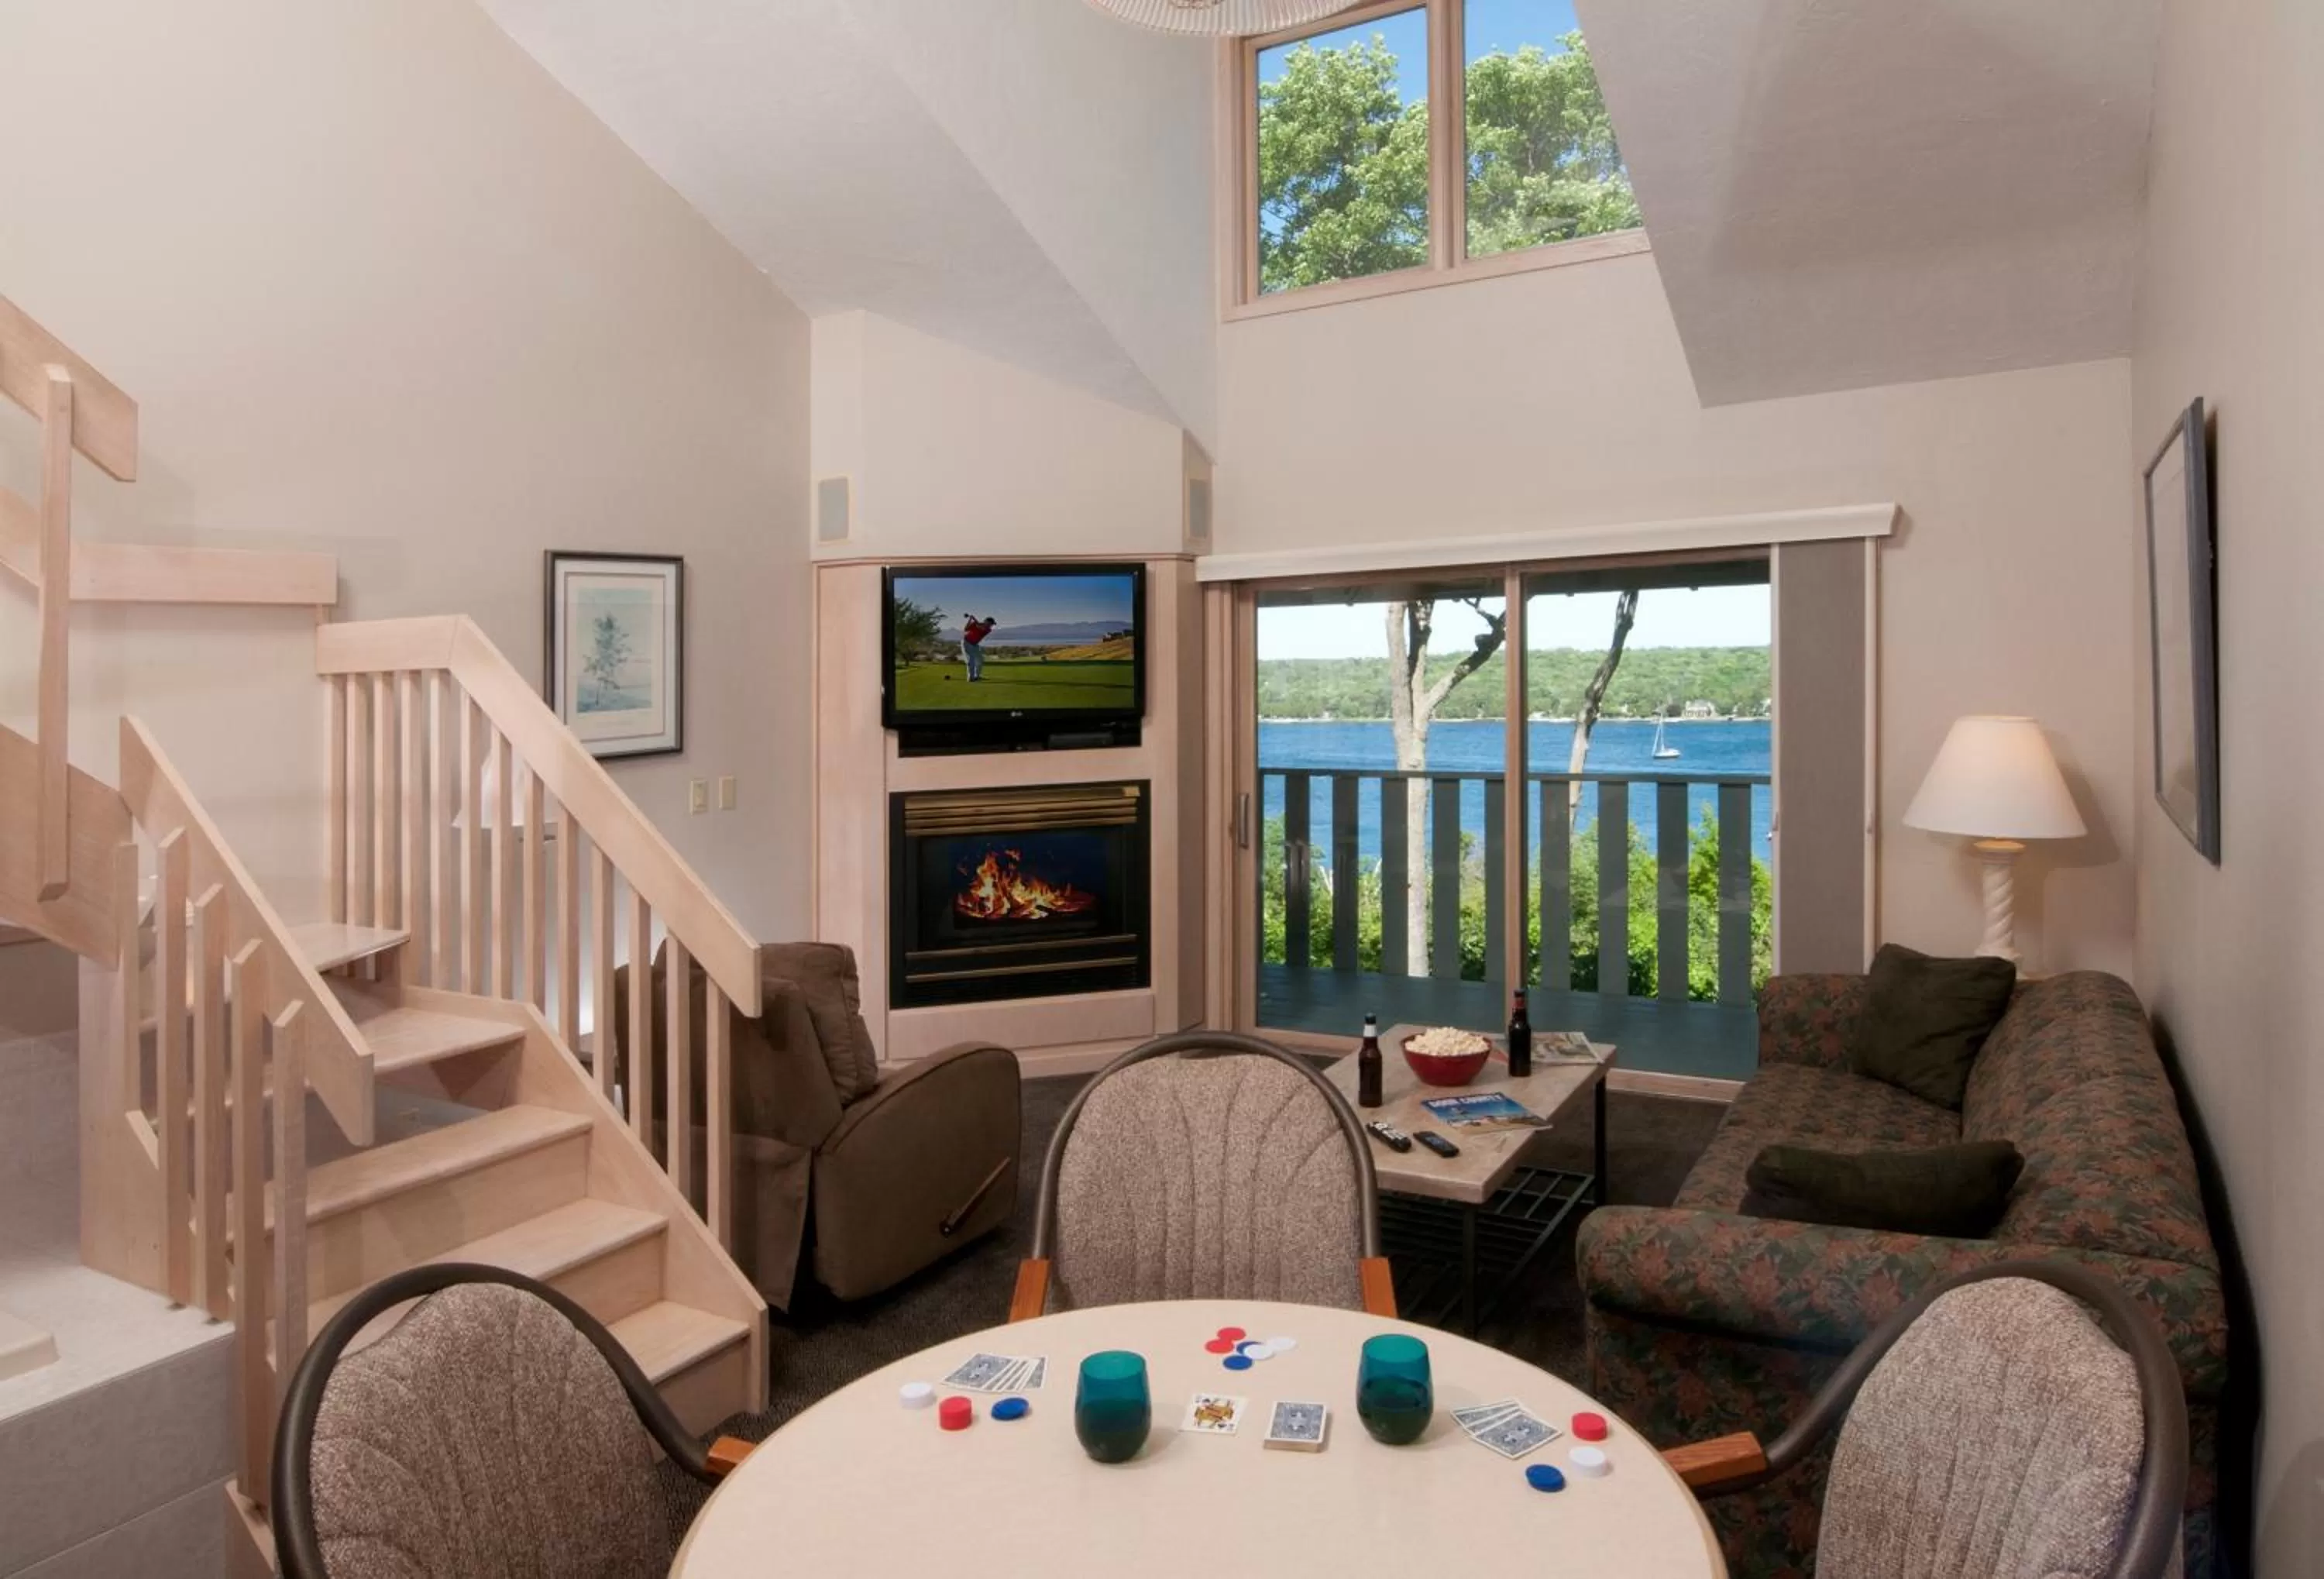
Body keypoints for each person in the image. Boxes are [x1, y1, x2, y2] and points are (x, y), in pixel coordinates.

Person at [961, 614, 996, 681]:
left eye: (991, 624)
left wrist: (974, 618)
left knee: (980, 660)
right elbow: (965, 629)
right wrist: (970, 619)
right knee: (971, 661)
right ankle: (971, 678)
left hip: (975, 645)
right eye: (990, 623)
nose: (991, 625)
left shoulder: (988, 629)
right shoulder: (975, 624)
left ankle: (977, 676)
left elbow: (981, 627)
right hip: (966, 643)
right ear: (985, 621)